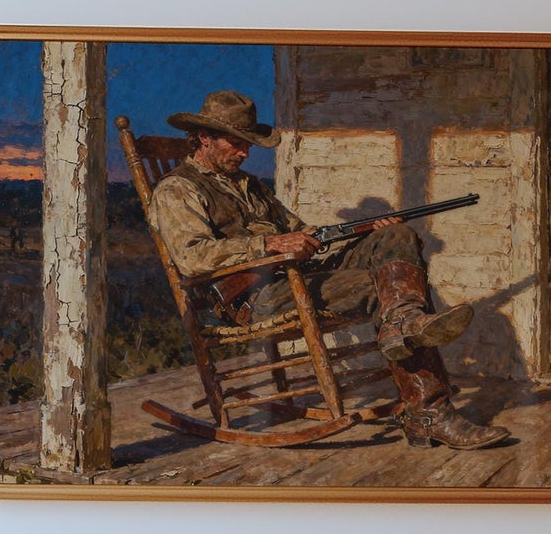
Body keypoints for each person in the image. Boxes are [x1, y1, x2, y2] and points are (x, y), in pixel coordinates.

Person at [143, 90, 512, 450]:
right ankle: (429, 411)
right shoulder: (177, 189)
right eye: (236, 143)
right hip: (254, 296)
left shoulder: (250, 186)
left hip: (296, 276)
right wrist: (269, 244)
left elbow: (297, 231)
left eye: (248, 144)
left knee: (397, 236)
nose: (244, 152)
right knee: (382, 288)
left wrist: (352, 232)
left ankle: (403, 326)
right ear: (204, 138)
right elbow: (193, 257)